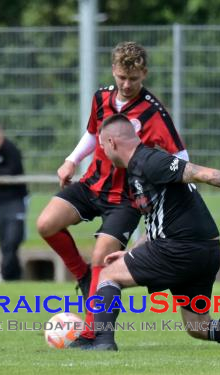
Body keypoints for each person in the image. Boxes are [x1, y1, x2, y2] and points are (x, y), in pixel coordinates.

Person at [82, 113, 220, 351]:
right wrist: (130, 253)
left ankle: (102, 342)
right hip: (205, 252)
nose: (104, 154)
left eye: (102, 147)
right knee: (198, 327)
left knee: (108, 275)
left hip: (178, 249)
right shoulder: (137, 171)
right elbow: (157, 222)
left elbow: (201, 173)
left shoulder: (150, 161)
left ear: (112, 143)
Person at [36, 41, 188, 342]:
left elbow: (181, 158)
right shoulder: (101, 98)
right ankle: (82, 276)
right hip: (92, 184)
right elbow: (93, 133)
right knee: (46, 224)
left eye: (133, 78)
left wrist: (171, 195)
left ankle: (94, 333)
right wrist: (71, 160)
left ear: (144, 73)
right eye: (121, 77)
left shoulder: (154, 112)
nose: (127, 84)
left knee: (102, 258)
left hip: (126, 200)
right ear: (114, 72)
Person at [0, 121, 29, 281]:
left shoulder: (11, 150)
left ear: (1, 137)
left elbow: (12, 171)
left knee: (13, 240)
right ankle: (13, 277)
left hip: (16, 201)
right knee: (4, 243)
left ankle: (3, 272)